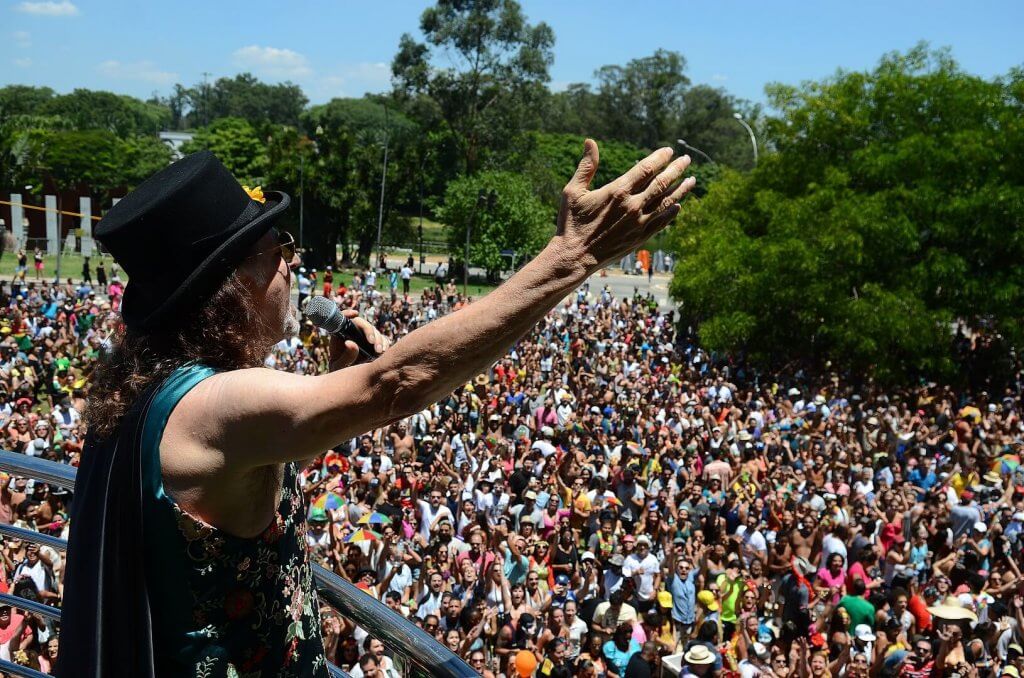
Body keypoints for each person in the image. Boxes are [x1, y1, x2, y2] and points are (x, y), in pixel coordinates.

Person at [57, 144, 695, 675]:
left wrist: (334, 384)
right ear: (233, 282)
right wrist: (572, 257)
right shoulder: (219, 403)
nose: (294, 260)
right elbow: (399, 380)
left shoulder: (161, 392)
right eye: (279, 245)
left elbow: (254, 467)